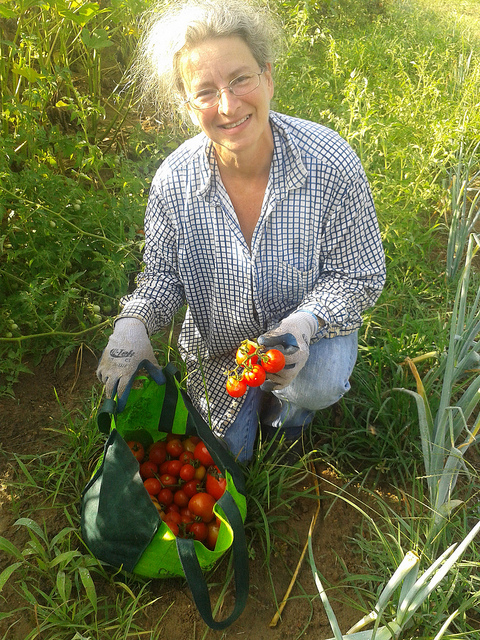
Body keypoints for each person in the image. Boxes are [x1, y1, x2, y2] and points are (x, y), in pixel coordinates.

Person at [97, 0, 386, 463]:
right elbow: (163, 278)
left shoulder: (329, 162)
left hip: (303, 340)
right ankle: (250, 408)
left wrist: (305, 323)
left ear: (267, 77)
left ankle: (290, 417)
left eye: (240, 79)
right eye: (205, 91)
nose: (228, 106)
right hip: (219, 352)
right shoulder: (174, 182)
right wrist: (133, 325)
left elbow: (359, 274)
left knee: (318, 380)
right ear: (188, 106)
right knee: (229, 460)